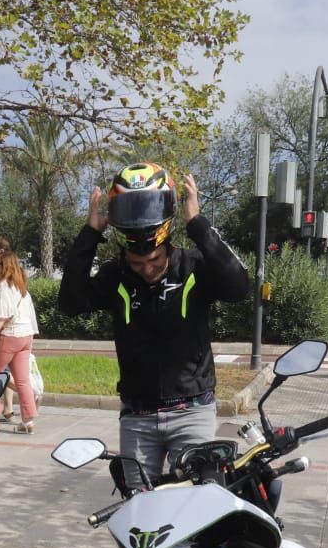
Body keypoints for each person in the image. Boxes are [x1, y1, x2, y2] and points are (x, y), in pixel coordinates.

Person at [59, 162, 250, 482]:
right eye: (137, 263)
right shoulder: (116, 275)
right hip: (137, 416)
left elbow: (239, 286)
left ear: (167, 246)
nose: (145, 269)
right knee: (137, 507)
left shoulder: (193, 267)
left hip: (192, 411)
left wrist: (198, 223)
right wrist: (90, 234)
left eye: (153, 262)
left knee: (198, 504)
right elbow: (71, 303)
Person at [0, 238, 39, 434]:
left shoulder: (4, 286)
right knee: (22, 380)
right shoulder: (20, 286)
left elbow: (3, 314)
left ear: (2, 265)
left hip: (9, 337)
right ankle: (28, 421)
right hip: (25, 337)